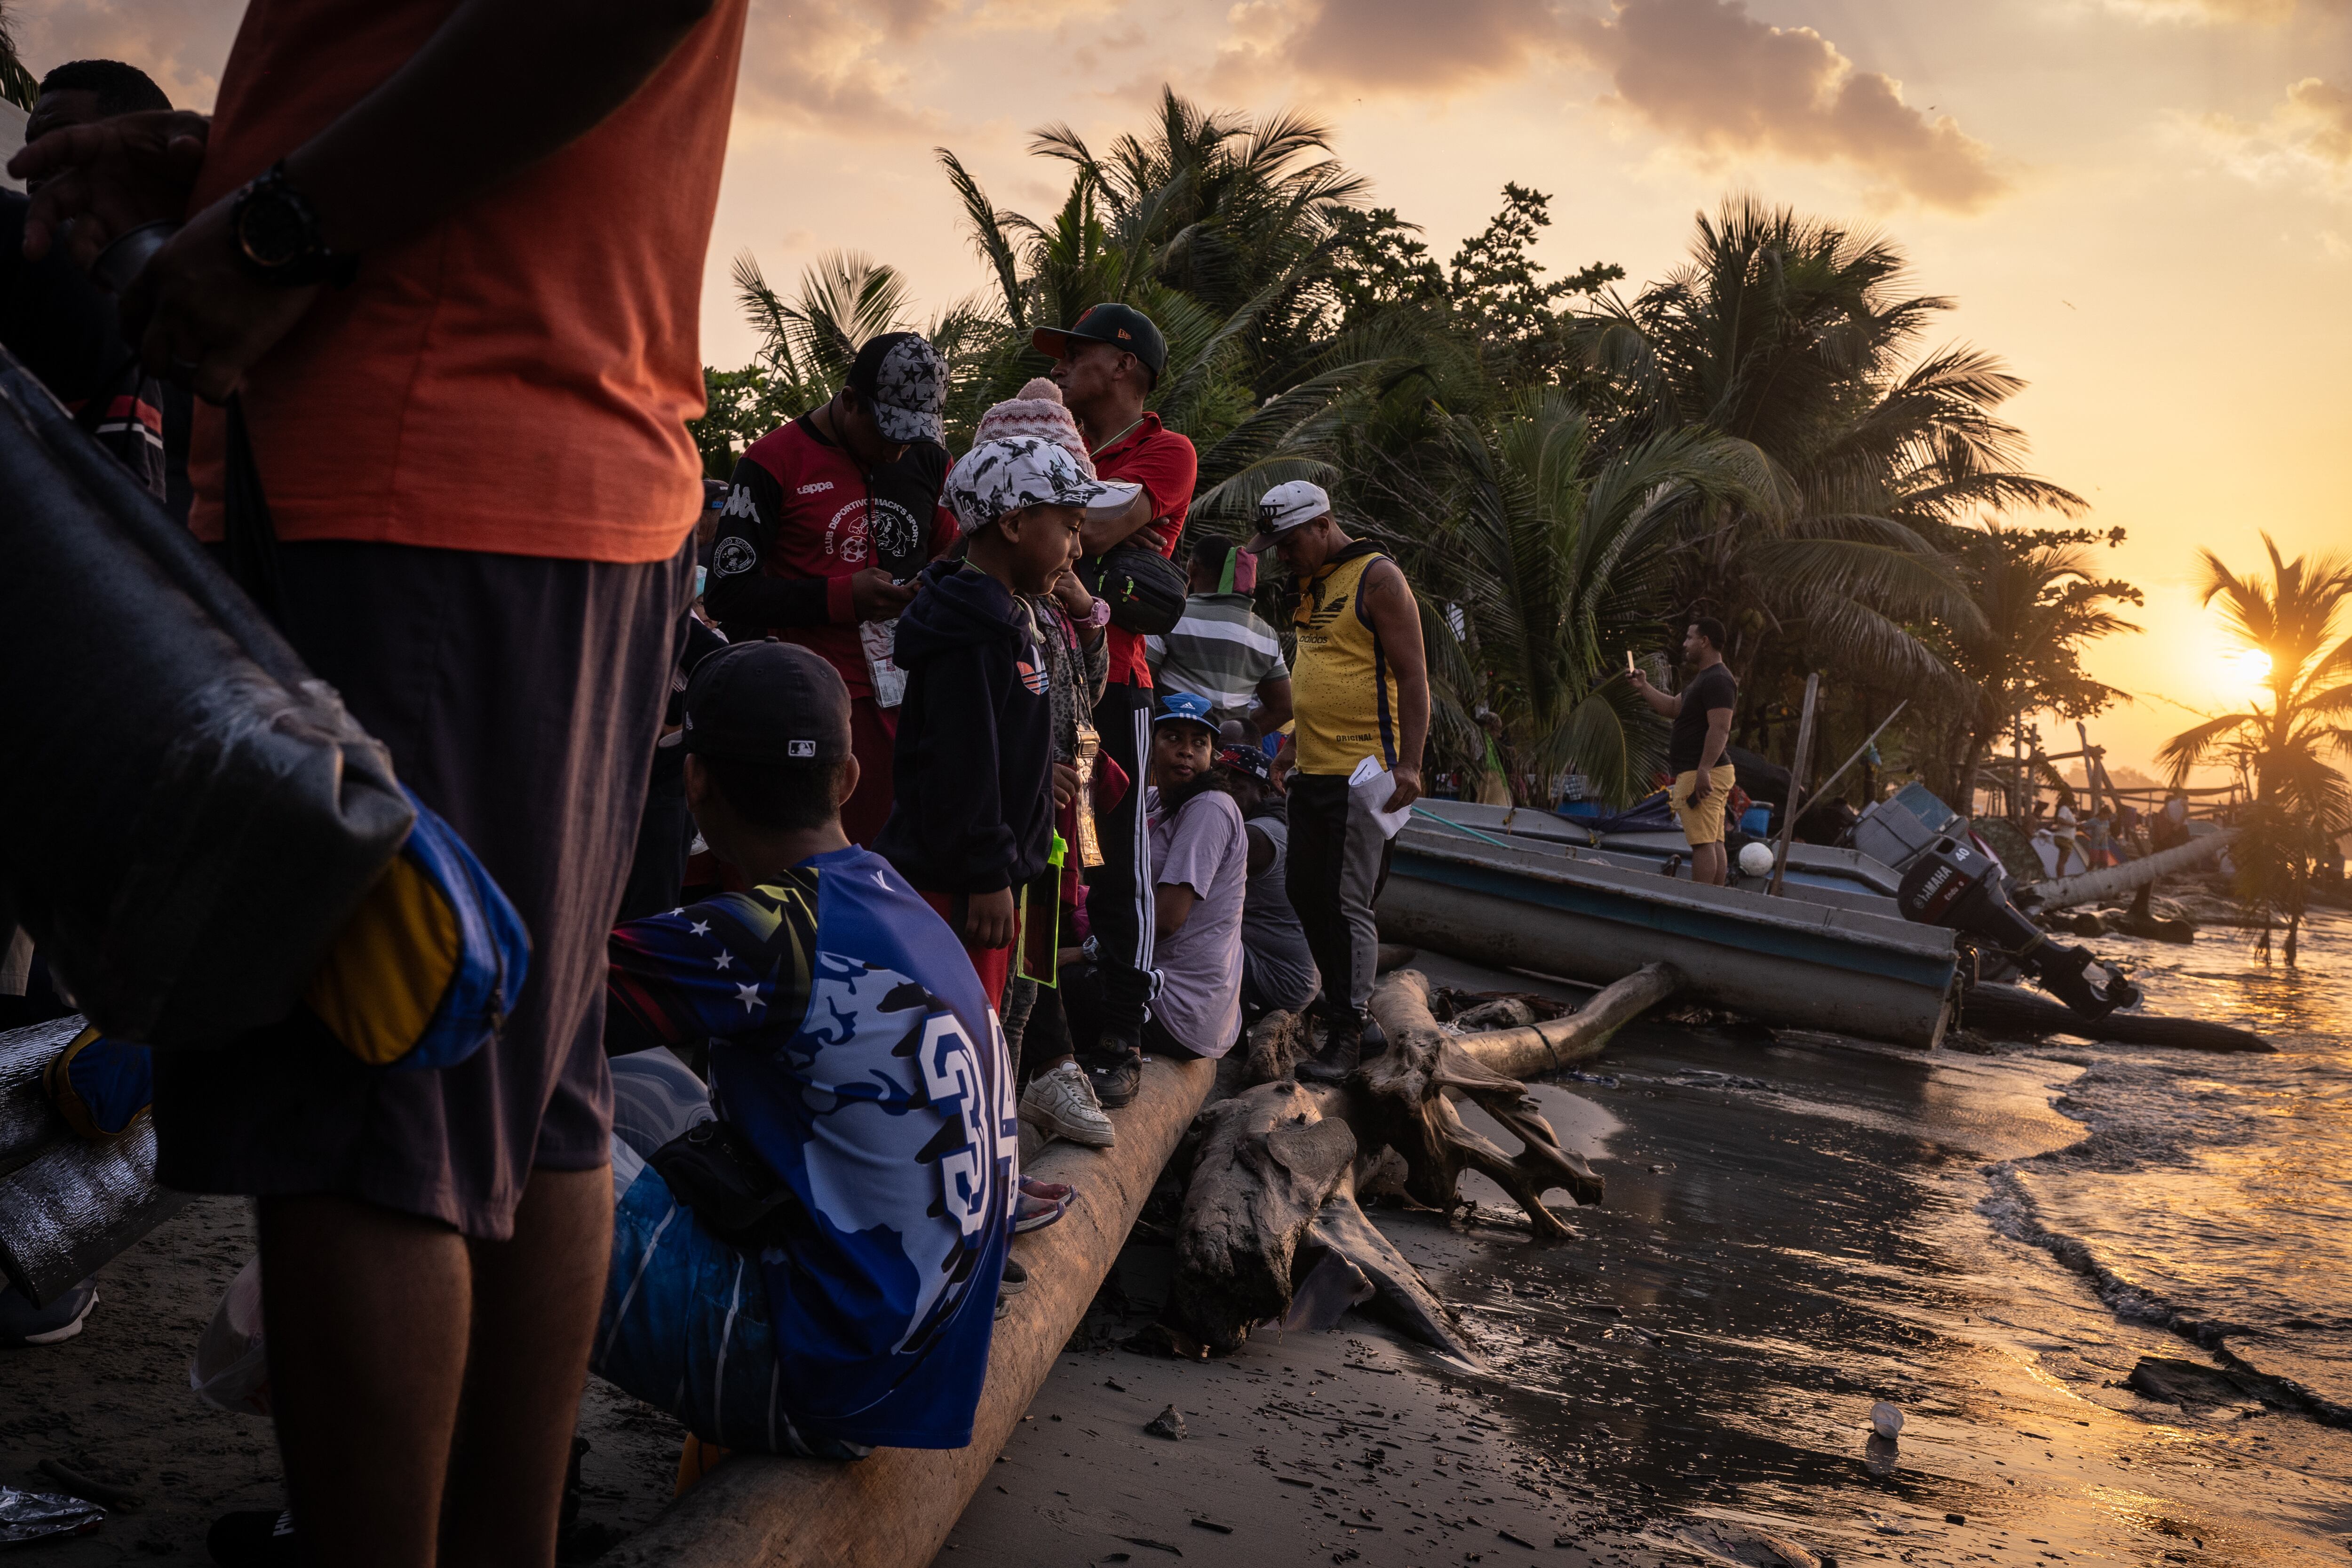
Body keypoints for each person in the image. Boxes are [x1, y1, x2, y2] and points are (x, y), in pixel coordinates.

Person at [13, 2, 753, 1563]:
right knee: (527, 1087)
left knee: (374, 1100)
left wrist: (280, 230)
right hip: (541, 453)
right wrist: (232, 168)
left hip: (424, 447)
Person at [594, 642, 1016, 1458]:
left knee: (489, 1112)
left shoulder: (768, 931)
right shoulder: (899, 905)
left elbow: (511, 991)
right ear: (850, 778)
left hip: (817, 1379)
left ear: (696, 781)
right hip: (909, 1361)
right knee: (638, 1077)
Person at [874, 436, 1137, 1016]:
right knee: (953, 1027)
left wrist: (1039, 774)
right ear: (1015, 524)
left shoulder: (1007, 616)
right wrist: (988, 875)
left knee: (989, 1021)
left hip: (990, 874)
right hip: (959, 888)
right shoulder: (969, 632)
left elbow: (997, 739)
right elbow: (959, 762)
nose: (1076, 550)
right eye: (1069, 528)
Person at [704, 333, 955, 846]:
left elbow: (952, 554)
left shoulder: (926, 459)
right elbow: (727, 596)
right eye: (887, 433)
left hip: (910, 701)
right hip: (811, 709)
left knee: (900, 863)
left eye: (912, 437)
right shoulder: (771, 462)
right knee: (818, 868)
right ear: (848, 401)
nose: (897, 450)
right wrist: (841, 598)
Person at [1037, 303, 1195, 1106]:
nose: (1062, 367)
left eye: (1078, 353)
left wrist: (1048, 524)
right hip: (1038, 667)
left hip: (1116, 681)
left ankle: (1123, 1033)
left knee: (1112, 850)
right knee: (1047, 842)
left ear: (1126, 365)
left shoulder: (1165, 451)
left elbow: (1093, 536)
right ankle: (1048, 1026)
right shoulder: (1060, 444)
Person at [1251, 480, 1430, 1082]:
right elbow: (1324, 673)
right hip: (1313, 770)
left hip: (1365, 775)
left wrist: (1409, 762)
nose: (1281, 554)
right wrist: (1292, 747)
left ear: (1322, 524)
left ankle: (1346, 1034)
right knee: (1303, 891)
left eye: (1288, 541)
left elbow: (1411, 676)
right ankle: (1353, 1018)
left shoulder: (1379, 578)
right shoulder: (1315, 583)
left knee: (1346, 903)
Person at [5, 60, 175, 503]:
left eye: (66, 144)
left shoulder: (219, 317)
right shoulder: (29, 288)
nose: (35, 170)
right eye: (34, 146)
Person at [1063, 693, 1248, 1064]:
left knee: (1051, 991)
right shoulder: (1151, 801)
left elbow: (1165, 920)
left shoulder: (1210, 806)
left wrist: (1084, 953)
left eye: (1199, 742)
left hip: (1178, 1008)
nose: (1186, 752)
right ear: (1150, 743)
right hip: (1154, 981)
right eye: (1174, 738)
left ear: (1212, 754)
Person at [1146, 532, 1292, 738]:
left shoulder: (1172, 616)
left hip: (1172, 745)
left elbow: (1140, 686)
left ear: (1192, 567)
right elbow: (1285, 707)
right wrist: (1227, 738)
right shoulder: (1266, 635)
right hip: (1226, 758)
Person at [1630, 617, 1738, 887]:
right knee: (1713, 840)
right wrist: (1644, 687)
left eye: (1690, 638)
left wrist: (1704, 770)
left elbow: (1721, 728)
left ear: (1705, 641)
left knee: (1703, 844)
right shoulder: (1703, 679)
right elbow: (1673, 709)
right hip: (1702, 770)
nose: (1685, 644)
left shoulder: (1719, 680)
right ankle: (1713, 902)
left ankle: (1700, 903)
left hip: (1702, 770)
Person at [1216, 744, 1320, 1020]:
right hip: (1299, 974)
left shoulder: (1255, 836)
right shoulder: (1281, 822)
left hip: (1275, 978)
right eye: (1218, 784)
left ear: (1262, 794)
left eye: (1234, 788)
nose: (1222, 795)